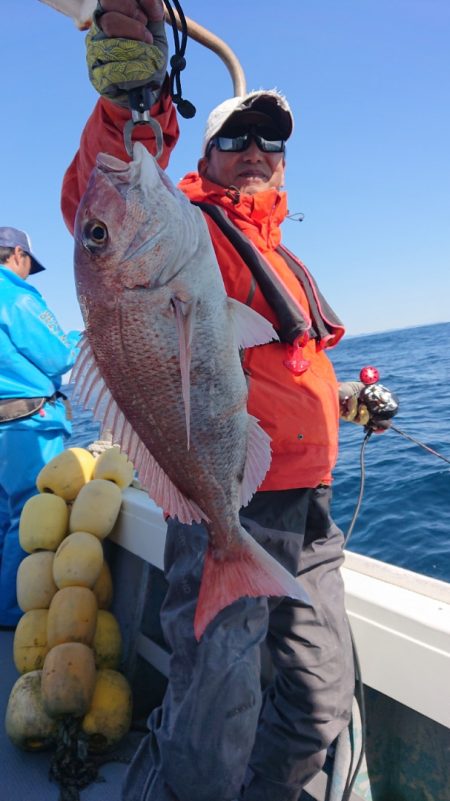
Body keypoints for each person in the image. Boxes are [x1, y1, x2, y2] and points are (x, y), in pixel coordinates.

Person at [61, 3, 392, 799]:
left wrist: (345, 400)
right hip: (229, 502)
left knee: (321, 694)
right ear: (203, 155)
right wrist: (129, 95)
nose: (255, 152)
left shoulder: (281, 256)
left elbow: (274, 363)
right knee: (216, 712)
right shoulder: (188, 227)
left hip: (308, 517)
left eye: (270, 140)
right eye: (236, 138)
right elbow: (96, 199)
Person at [0, 227, 80, 627]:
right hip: (26, 426)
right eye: (30, 263)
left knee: (2, 514)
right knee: (30, 515)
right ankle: (15, 611)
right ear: (18, 254)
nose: (30, 272)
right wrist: (86, 334)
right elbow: (59, 356)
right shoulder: (16, 296)